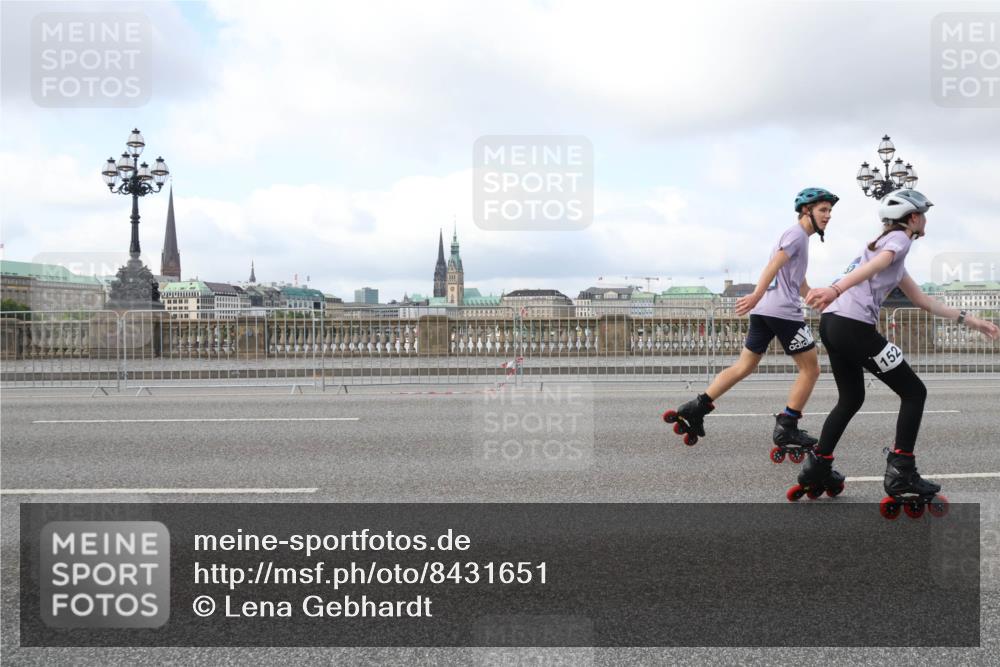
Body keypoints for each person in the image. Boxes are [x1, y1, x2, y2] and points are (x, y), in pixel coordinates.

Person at [793, 189, 999, 513]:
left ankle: (818, 465)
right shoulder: (899, 240)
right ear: (913, 218)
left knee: (850, 398)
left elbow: (923, 300)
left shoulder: (885, 248)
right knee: (914, 391)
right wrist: (835, 289)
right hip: (852, 325)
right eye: (924, 215)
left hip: (832, 324)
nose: (926, 220)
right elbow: (880, 264)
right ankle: (902, 471)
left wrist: (971, 320)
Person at [664, 187, 837, 461]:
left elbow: (797, 282)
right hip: (782, 312)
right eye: (823, 210)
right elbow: (772, 267)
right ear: (807, 211)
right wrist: (755, 295)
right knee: (811, 369)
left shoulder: (797, 238)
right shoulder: (796, 235)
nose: (828, 216)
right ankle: (787, 426)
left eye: (829, 211)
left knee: (744, 366)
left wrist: (818, 299)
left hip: (766, 310)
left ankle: (696, 407)